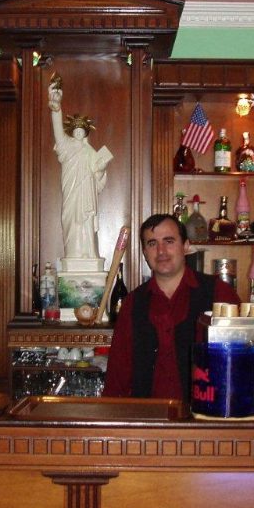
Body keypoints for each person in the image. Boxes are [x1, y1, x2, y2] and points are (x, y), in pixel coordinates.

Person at [103, 214, 240, 400]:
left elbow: (239, 365)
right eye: (152, 243)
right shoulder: (132, 303)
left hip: (206, 413)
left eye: (169, 241)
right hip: (146, 415)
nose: (161, 251)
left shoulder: (219, 293)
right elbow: (117, 375)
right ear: (145, 253)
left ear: (186, 246)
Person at [48, 74, 113, 260]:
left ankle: (88, 254)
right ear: (71, 132)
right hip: (71, 191)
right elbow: (57, 130)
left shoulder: (90, 151)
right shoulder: (66, 145)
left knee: (86, 222)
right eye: (75, 130)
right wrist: (56, 107)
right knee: (70, 220)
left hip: (86, 194)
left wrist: (101, 168)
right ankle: (72, 254)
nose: (78, 133)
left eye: (81, 131)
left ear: (85, 134)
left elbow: (98, 175)